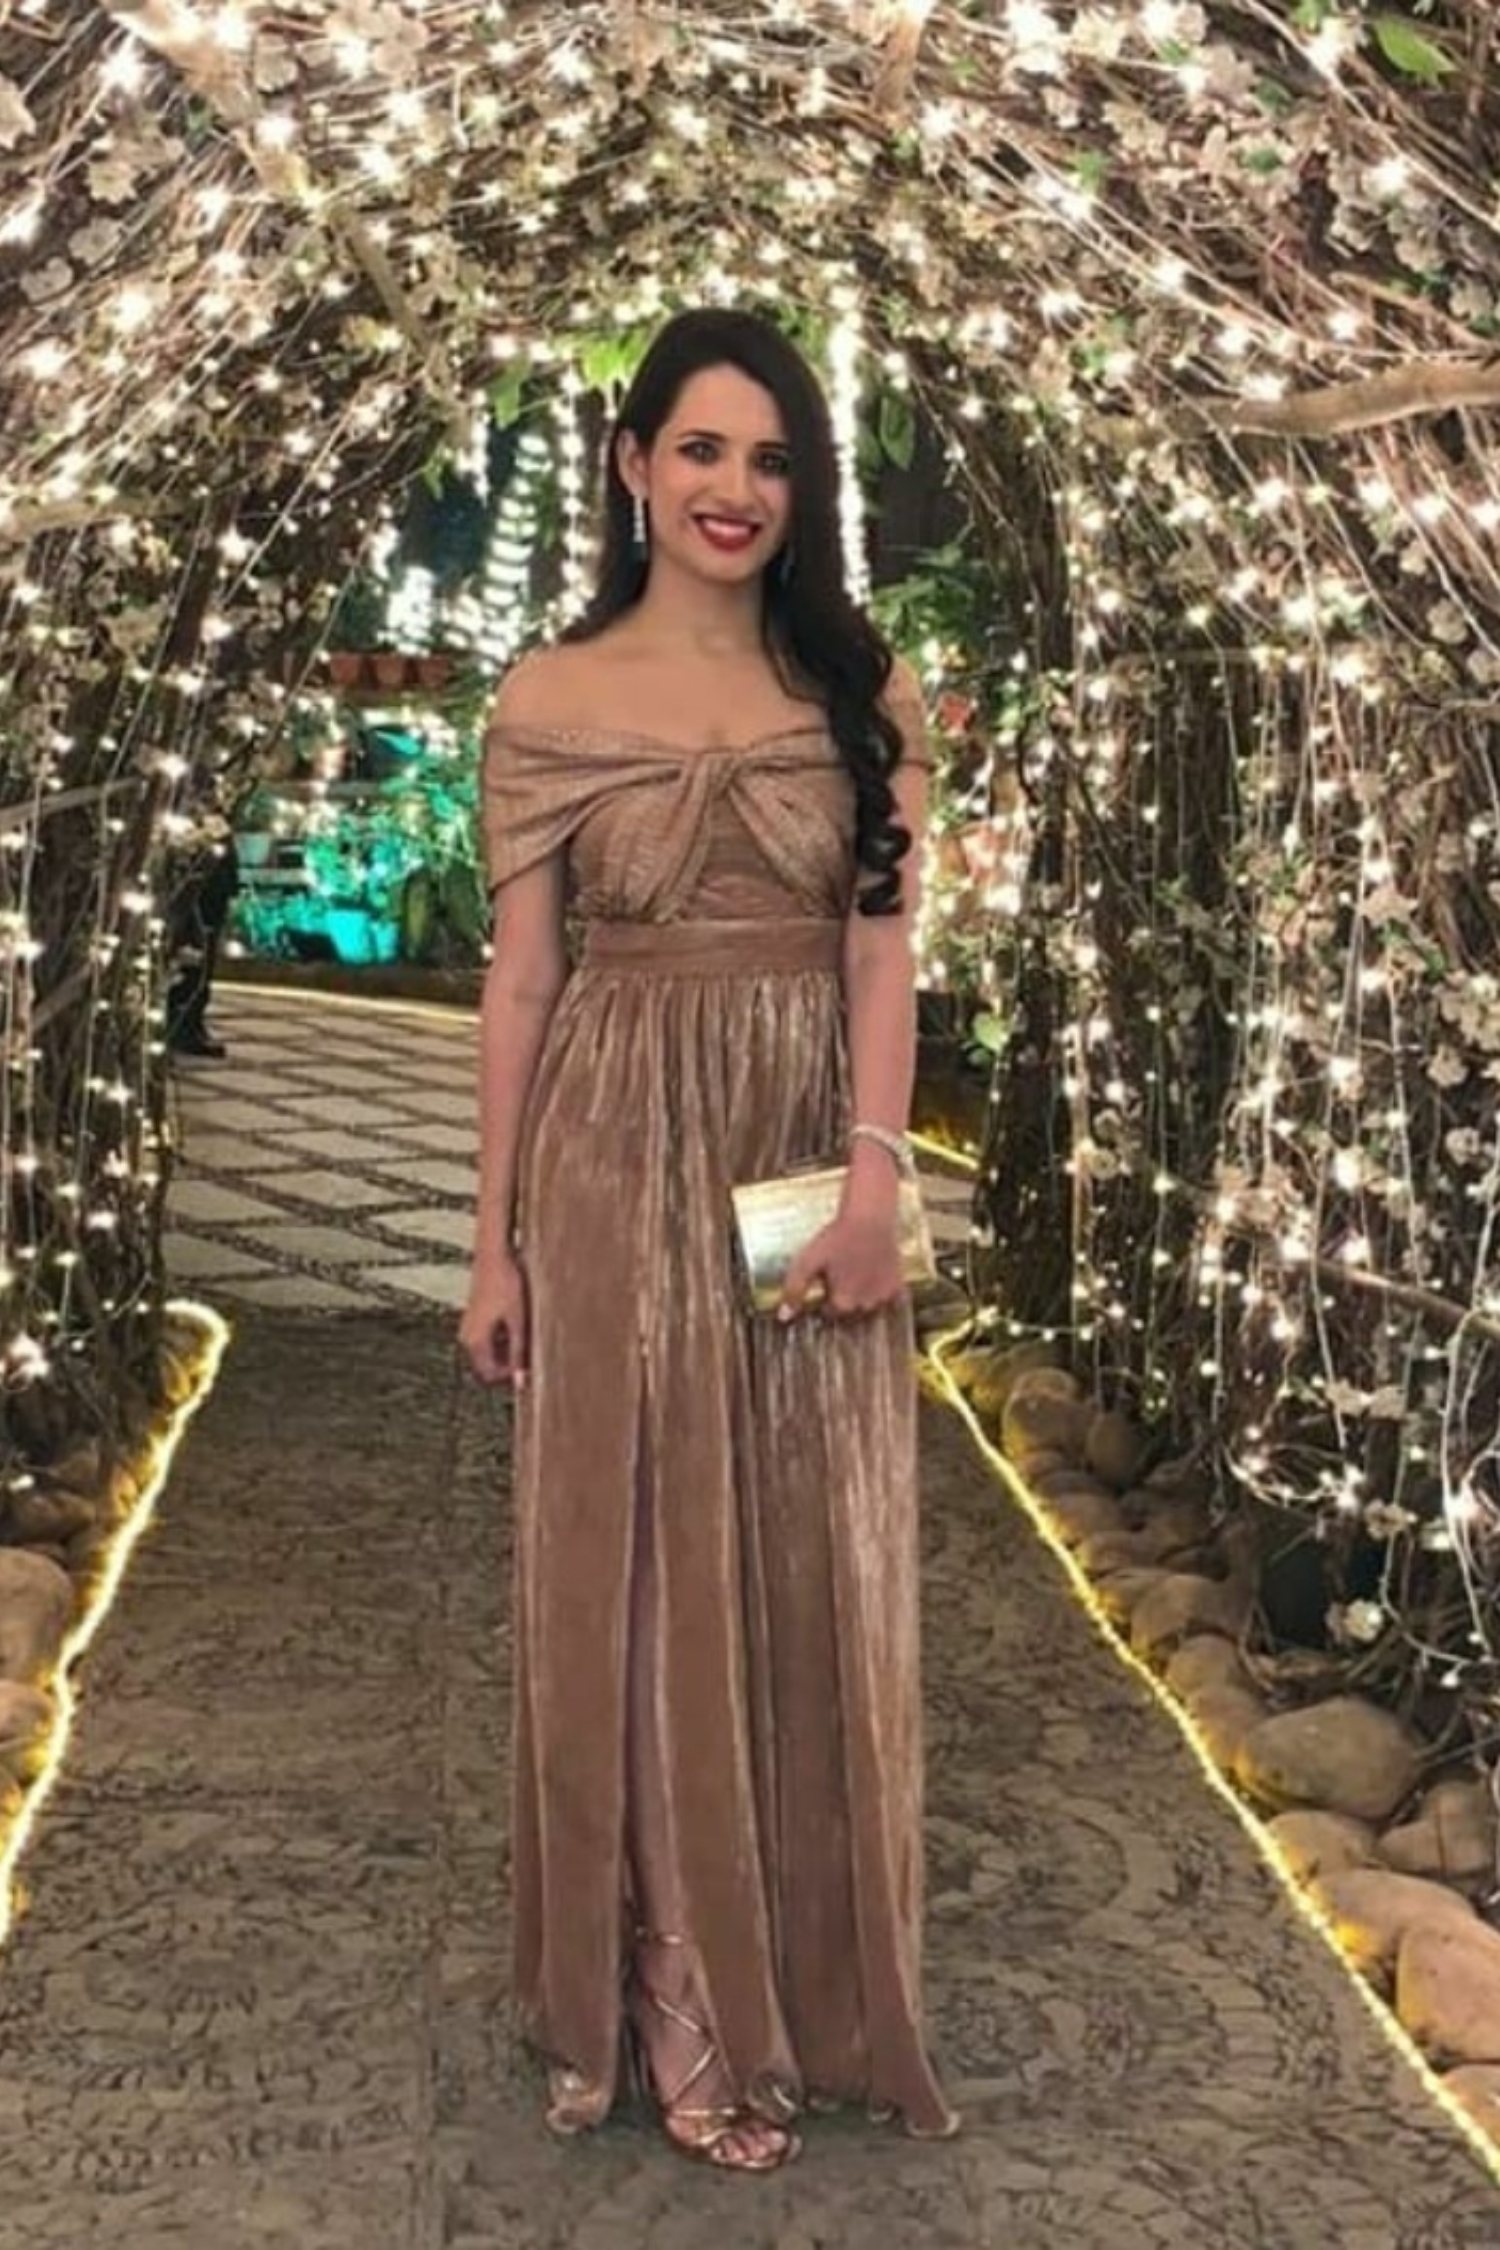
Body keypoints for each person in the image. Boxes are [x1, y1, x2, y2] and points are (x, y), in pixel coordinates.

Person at [461, 307, 958, 2172]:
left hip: (801, 1151)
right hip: (610, 1153)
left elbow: (882, 954)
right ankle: (674, 1992)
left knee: (814, 1552)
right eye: (700, 448)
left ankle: (807, 1977)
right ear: (632, 465)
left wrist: (876, 1182)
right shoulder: (549, 694)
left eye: (770, 458)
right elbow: (523, 984)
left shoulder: (860, 688)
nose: (735, 488)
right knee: (645, 1555)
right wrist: (494, 1243)